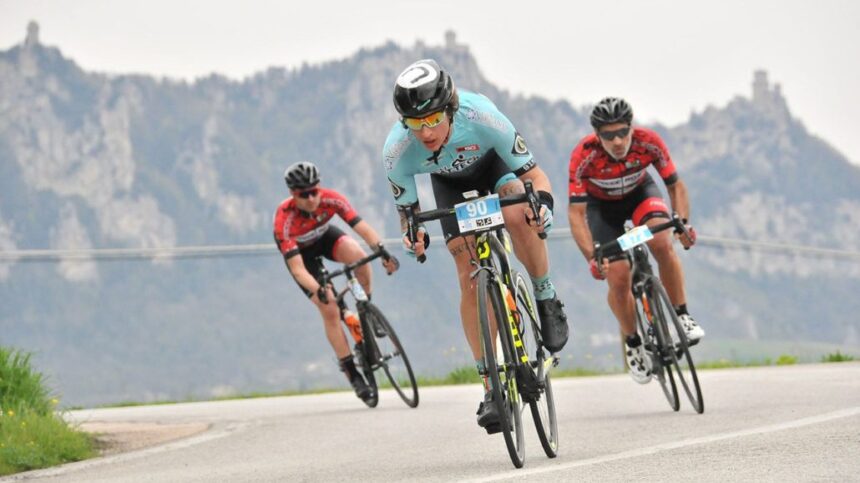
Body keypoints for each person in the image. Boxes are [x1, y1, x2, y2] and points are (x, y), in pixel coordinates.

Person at [383, 59, 569, 432]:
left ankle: (545, 295)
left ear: (450, 109)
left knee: (519, 213)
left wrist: (543, 206)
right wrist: (413, 235)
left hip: (494, 167)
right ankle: (490, 386)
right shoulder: (397, 150)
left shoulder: (483, 117)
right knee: (469, 276)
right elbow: (409, 214)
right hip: (449, 186)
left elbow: (536, 177)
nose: (425, 132)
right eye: (415, 123)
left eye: (433, 119)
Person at [566, 97, 704, 384]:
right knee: (618, 277)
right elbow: (576, 214)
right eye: (609, 135)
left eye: (622, 132)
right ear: (597, 135)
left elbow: (675, 185)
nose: (617, 141)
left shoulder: (648, 142)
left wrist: (683, 224)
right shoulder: (583, 155)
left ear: (632, 128)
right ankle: (633, 343)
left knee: (662, 242)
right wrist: (592, 257)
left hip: (640, 195)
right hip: (602, 209)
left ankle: (682, 315)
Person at [273, 161, 399, 402]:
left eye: (314, 191)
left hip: (324, 238)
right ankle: (353, 374)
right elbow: (298, 270)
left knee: (360, 258)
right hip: (301, 256)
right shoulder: (284, 220)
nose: (311, 198)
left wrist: (382, 251)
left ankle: (367, 310)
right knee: (330, 308)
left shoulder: (332, 199)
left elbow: (362, 227)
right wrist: (318, 290)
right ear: (293, 194)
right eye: (304, 195)